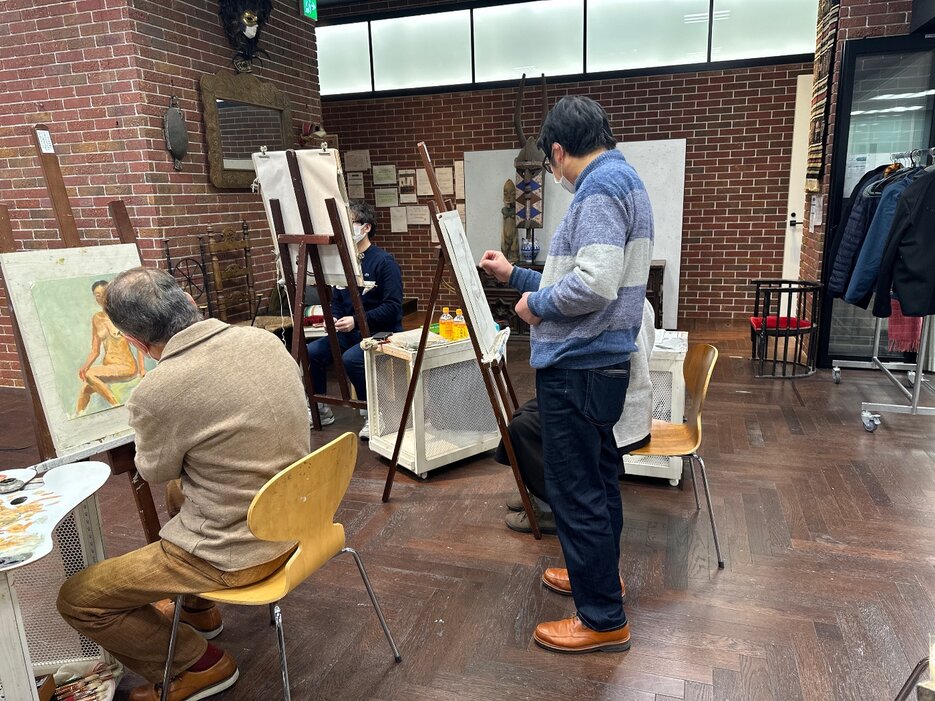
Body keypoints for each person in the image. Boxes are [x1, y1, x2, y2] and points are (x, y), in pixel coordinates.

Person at [57, 268, 310, 701]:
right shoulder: (264, 340)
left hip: (237, 551)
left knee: (79, 598)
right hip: (300, 517)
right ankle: (198, 608)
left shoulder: (157, 390)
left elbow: (153, 470)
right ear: (191, 302)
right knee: (179, 492)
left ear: (135, 343)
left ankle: (198, 664)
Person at [480, 95, 653, 654]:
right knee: (597, 483)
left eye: (549, 161)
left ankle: (602, 618)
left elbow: (594, 285)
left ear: (557, 152)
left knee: (577, 491)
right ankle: (598, 579)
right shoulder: (622, 180)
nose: (552, 171)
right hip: (597, 367)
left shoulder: (598, 189)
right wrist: (516, 275)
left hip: (580, 367)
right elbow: (580, 275)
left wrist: (535, 306)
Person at [496, 299, 656, 536]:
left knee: (522, 428)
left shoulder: (604, 300)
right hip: (606, 390)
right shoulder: (633, 296)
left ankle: (554, 508)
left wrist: (537, 305)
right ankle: (537, 494)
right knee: (524, 413)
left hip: (611, 400)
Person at [306, 200, 403, 439]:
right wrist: (335, 317)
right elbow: (338, 299)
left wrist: (356, 320)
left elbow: (393, 307)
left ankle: (374, 413)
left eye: (350, 224)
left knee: (352, 359)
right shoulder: (343, 262)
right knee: (311, 352)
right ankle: (320, 409)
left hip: (383, 332)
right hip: (351, 331)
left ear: (366, 227)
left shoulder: (384, 262)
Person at [76, 279, 146, 415]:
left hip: (126, 366)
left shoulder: (123, 316)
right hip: (108, 366)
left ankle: (116, 406)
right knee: (85, 389)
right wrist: (85, 366)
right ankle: (78, 416)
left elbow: (139, 343)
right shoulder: (96, 319)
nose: (101, 298)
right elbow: (95, 350)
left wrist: (142, 368)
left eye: (103, 293)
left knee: (90, 374)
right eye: (97, 295)